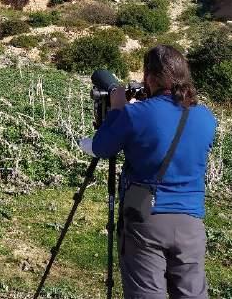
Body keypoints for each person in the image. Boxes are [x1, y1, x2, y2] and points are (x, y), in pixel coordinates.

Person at [80, 45, 217, 299]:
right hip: (191, 222)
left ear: (150, 78)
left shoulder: (135, 115)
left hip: (147, 219)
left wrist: (119, 109)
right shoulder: (206, 118)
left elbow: (101, 146)